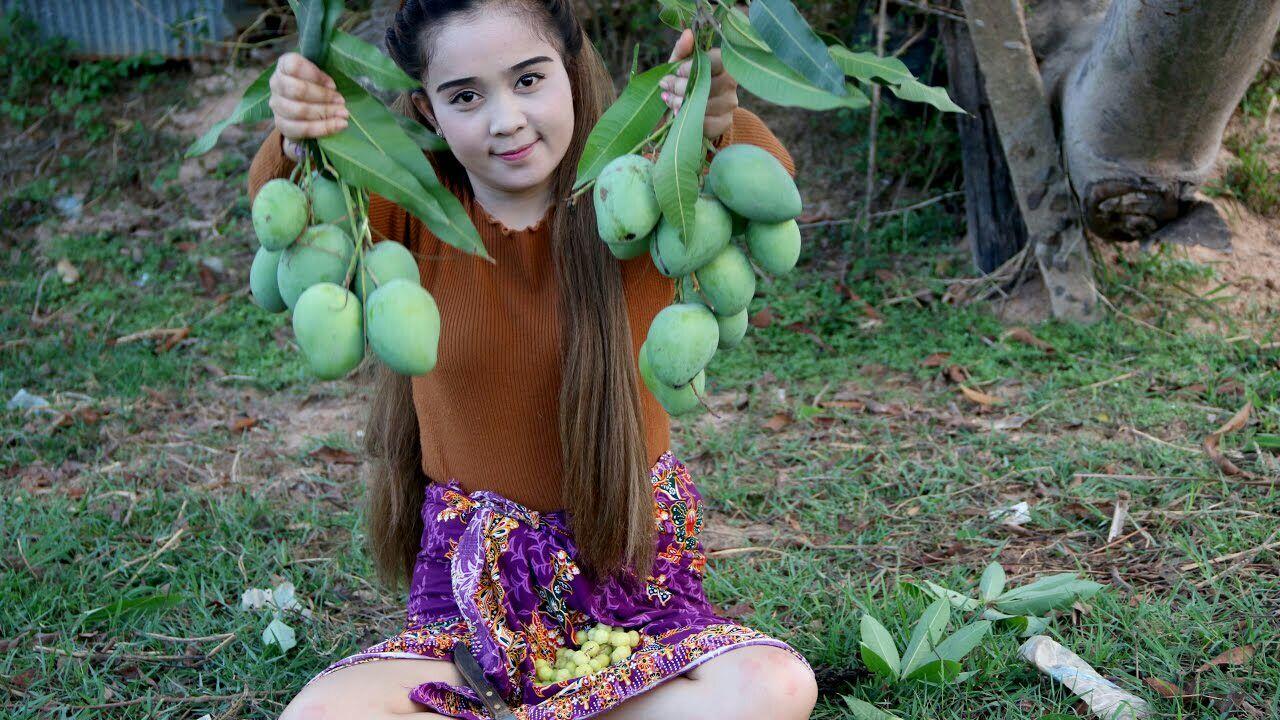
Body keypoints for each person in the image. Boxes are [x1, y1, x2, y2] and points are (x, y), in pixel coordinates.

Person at [248, 1, 814, 717]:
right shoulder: (405, 207)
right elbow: (290, 215)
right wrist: (301, 138)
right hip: (472, 593)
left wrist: (716, 123)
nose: (506, 120)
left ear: (572, 72)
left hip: (631, 580)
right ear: (426, 111)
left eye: (528, 80)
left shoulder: (643, 193)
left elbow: (768, 185)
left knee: (778, 686)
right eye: (465, 96)